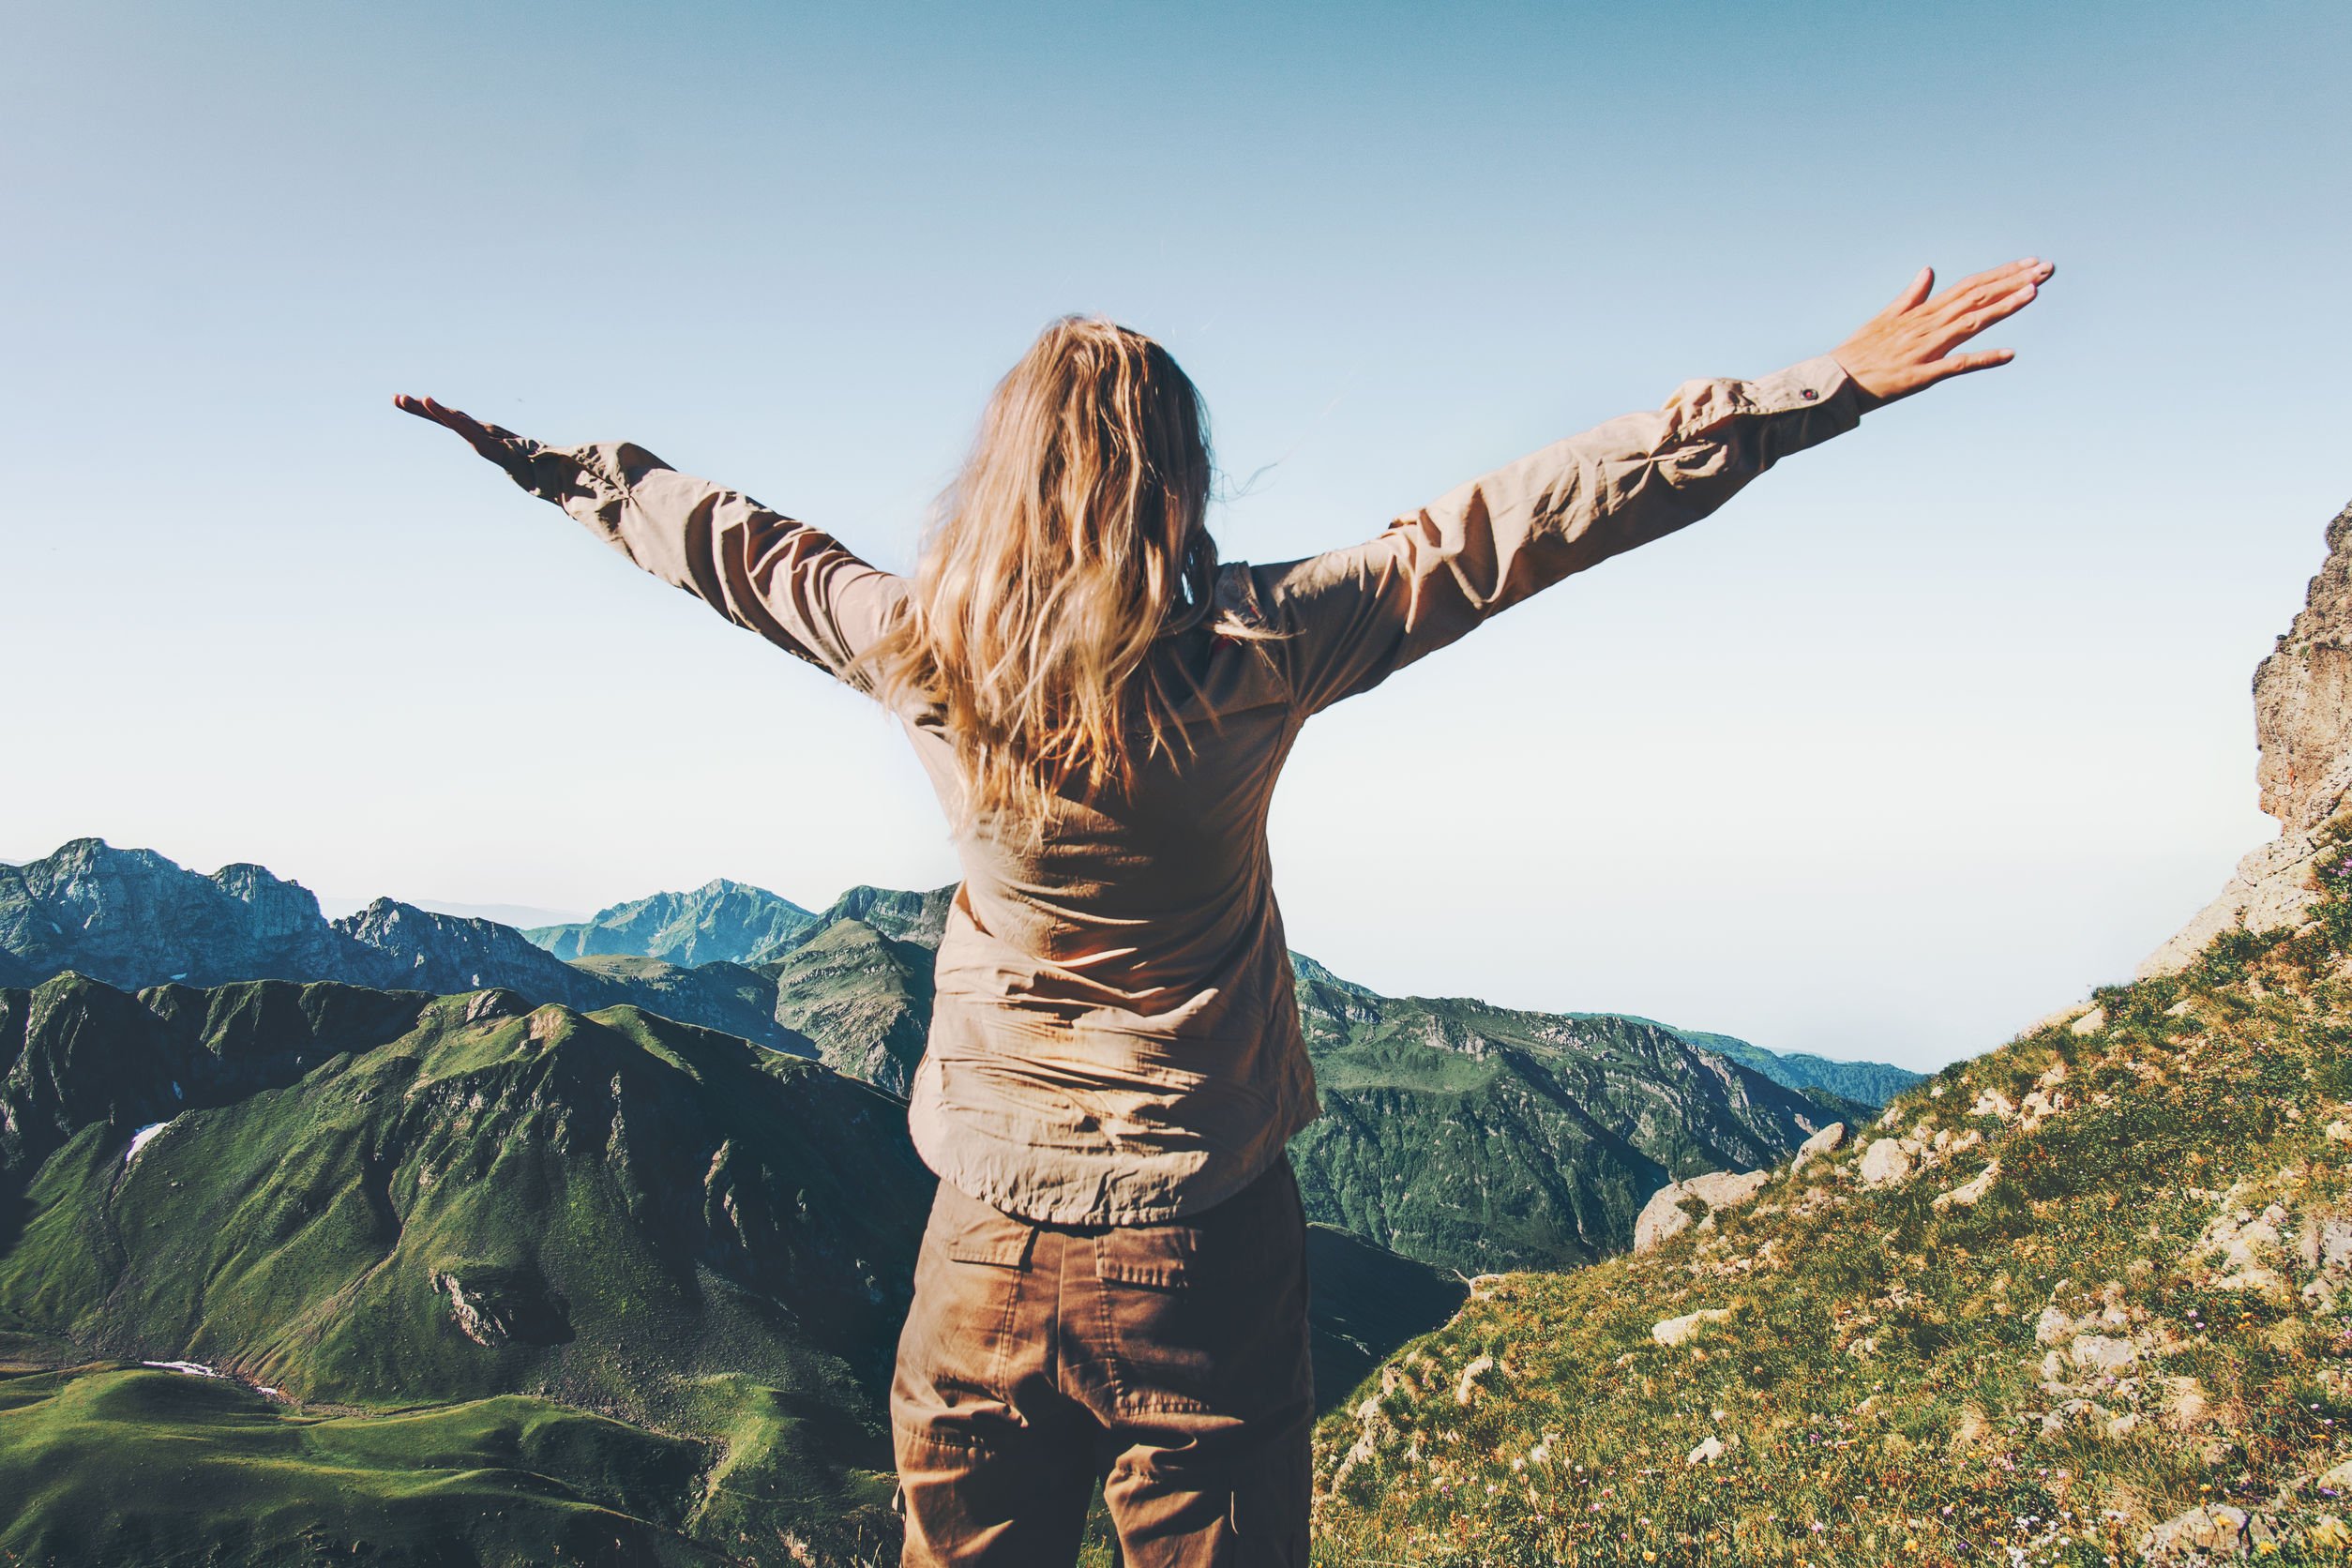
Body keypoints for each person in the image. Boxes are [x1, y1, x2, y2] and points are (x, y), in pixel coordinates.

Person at [397, 254, 2053, 1566]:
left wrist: (559, 467)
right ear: (1176, 475)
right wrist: (1814, 390)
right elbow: (1522, 524)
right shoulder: (1265, 647)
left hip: (982, 1246)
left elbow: (737, 550)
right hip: (1205, 1244)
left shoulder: (920, 647)